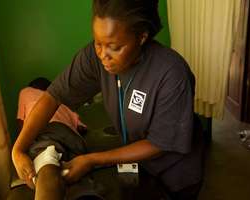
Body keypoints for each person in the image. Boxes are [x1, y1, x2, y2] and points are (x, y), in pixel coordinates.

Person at [12, 1, 205, 200]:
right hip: (137, 164)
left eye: (115, 47)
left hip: (174, 172)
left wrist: (92, 160)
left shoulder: (171, 73)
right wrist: (18, 150)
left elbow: (160, 144)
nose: (103, 55)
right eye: (98, 43)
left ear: (142, 37)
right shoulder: (94, 59)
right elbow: (53, 96)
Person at [16, 77, 89, 199]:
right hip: (75, 141)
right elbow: (82, 128)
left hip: (46, 130)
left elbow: (21, 124)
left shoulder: (26, 92)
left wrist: (23, 147)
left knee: (47, 163)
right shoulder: (63, 103)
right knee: (69, 172)